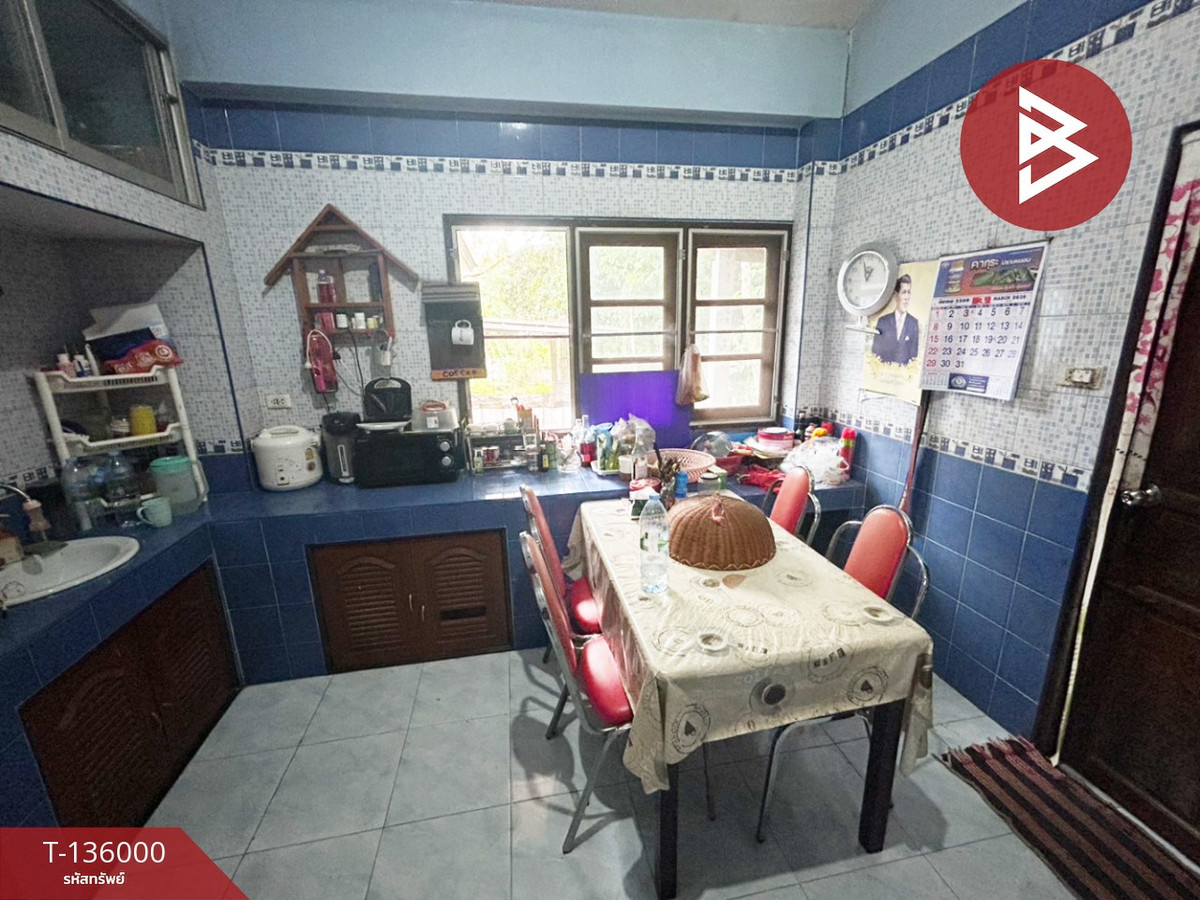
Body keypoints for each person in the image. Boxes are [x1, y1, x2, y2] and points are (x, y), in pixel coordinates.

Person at [871, 274, 920, 365]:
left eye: (909, 292)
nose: (906, 298)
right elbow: (875, 354)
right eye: (904, 292)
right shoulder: (883, 322)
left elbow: (914, 357)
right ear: (896, 296)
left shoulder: (913, 323)